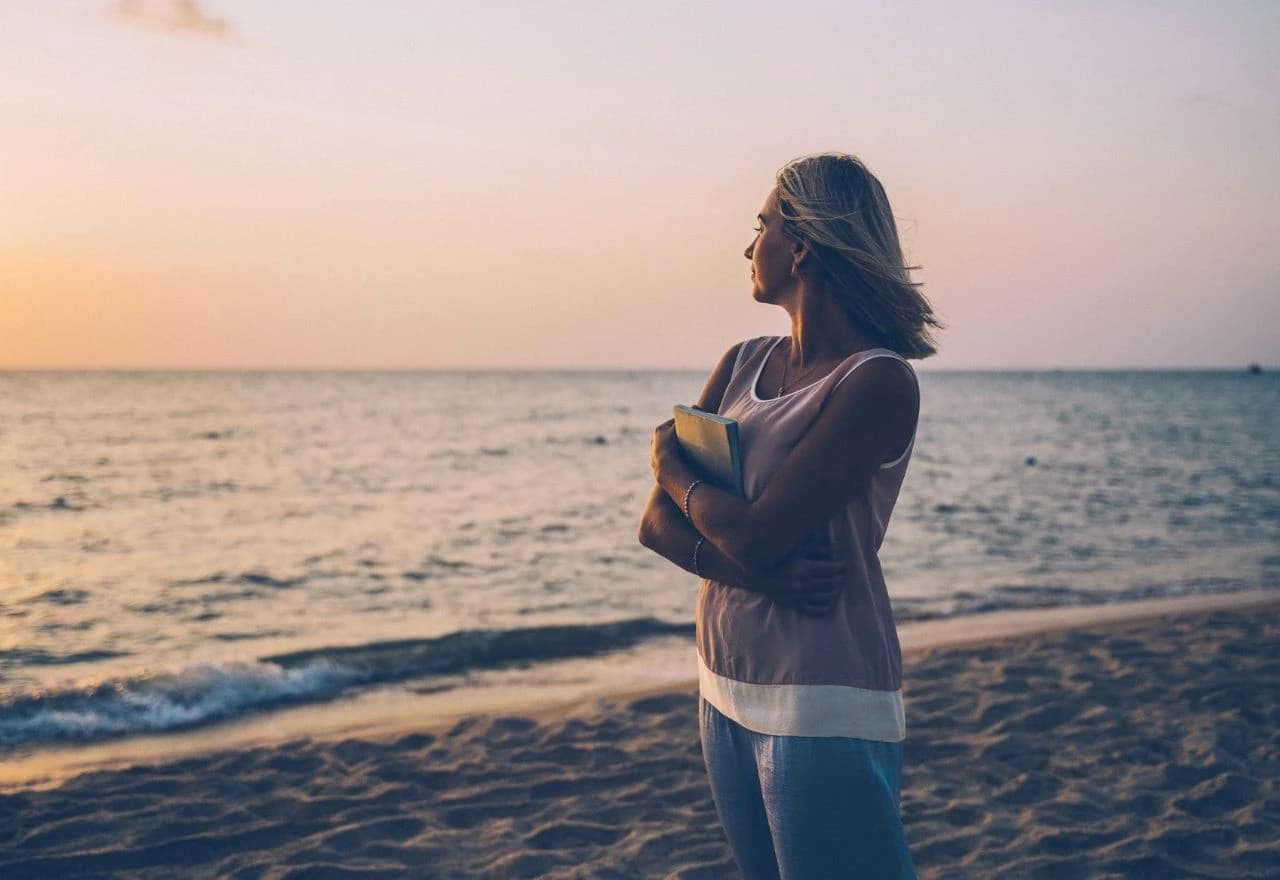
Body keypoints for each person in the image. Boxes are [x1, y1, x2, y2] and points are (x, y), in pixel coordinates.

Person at [638, 152, 942, 879]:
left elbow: (754, 530)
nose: (750, 247)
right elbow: (655, 526)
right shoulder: (742, 361)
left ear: (800, 244)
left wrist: (670, 463)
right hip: (722, 675)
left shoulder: (876, 383)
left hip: (820, 691)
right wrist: (761, 581)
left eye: (762, 225)